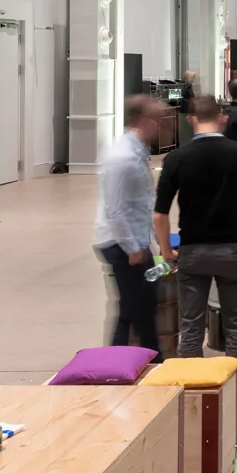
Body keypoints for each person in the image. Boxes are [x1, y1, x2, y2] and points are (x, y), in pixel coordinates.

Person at [154, 95, 237, 420]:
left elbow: (160, 214)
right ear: (222, 117)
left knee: (190, 327)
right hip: (233, 250)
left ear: (190, 119)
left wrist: (166, 250)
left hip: (193, 251)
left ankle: (194, 402)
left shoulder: (176, 158)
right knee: (236, 327)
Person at [94, 96, 165, 356]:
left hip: (135, 242)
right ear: (143, 120)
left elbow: (141, 202)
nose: (161, 127)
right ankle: (144, 361)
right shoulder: (123, 157)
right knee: (138, 310)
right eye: (157, 121)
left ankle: (128, 361)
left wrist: (156, 236)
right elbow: (115, 209)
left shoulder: (137, 152)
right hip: (122, 246)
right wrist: (133, 248)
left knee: (137, 306)